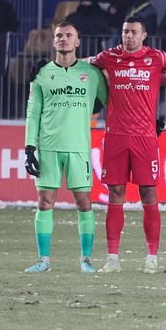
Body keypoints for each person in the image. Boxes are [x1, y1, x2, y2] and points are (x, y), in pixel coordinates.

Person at [88, 18, 166, 273]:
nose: (128, 36)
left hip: (145, 137)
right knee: (115, 193)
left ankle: (151, 257)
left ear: (144, 35)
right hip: (116, 136)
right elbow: (80, 65)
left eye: (133, 32)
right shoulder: (108, 57)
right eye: (125, 32)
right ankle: (112, 259)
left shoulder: (158, 58)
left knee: (149, 195)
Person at [22, 23, 108, 273]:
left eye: (69, 36)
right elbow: (32, 113)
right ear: (53, 41)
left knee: (84, 203)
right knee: (45, 201)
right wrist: (29, 148)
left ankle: (86, 261)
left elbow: (110, 99)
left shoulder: (91, 73)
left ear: (78, 42)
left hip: (79, 147)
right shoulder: (41, 73)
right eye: (59, 35)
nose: (63, 39)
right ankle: (43, 261)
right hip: (48, 147)